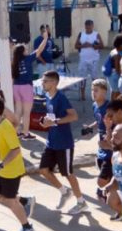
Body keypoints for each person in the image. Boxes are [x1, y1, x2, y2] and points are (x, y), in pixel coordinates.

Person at [0, 96, 35, 231]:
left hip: (10, 171)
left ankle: (27, 228)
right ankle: (24, 201)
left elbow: (15, 150)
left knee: (10, 201)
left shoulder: (6, 128)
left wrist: (0, 165)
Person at [38, 71, 89, 215]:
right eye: (42, 81)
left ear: (54, 83)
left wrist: (54, 121)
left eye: (45, 81)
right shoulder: (47, 96)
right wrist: (44, 122)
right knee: (43, 170)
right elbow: (51, 116)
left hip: (64, 143)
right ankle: (64, 192)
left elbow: (73, 116)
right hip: (51, 142)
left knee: (67, 173)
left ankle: (81, 202)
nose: (42, 83)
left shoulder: (61, 98)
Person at [12, 28, 50, 141]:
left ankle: (16, 132)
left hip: (16, 87)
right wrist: (45, 38)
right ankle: (25, 133)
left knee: (18, 111)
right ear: (22, 52)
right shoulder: (28, 59)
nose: (27, 50)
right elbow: (40, 49)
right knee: (26, 112)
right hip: (26, 87)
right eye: (25, 49)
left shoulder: (14, 62)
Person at [74, 19, 103, 102]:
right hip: (83, 59)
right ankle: (82, 94)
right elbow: (76, 46)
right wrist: (83, 46)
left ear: (93, 26)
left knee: (94, 78)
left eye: (90, 27)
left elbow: (102, 46)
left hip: (94, 59)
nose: (88, 28)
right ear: (85, 26)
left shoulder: (96, 34)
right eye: (87, 27)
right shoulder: (81, 34)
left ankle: (96, 94)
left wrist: (91, 45)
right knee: (82, 78)